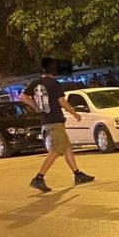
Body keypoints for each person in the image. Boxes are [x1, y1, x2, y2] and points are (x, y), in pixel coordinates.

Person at [20, 57, 94, 191]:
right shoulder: (54, 83)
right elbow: (62, 102)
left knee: (66, 148)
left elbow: (22, 97)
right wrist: (75, 113)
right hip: (55, 120)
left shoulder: (35, 83)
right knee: (56, 150)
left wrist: (35, 106)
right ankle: (39, 177)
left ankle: (77, 174)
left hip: (47, 120)